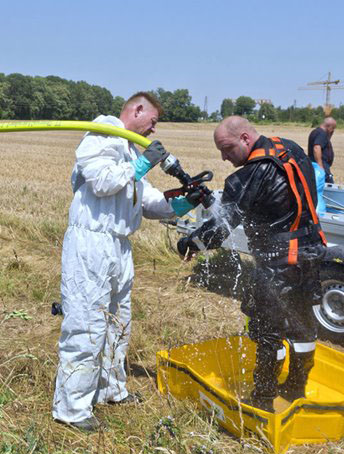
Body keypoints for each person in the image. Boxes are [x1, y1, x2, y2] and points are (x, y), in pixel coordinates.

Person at [52, 92, 203, 431]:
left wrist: (185, 201)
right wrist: (141, 163)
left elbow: (147, 203)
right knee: (87, 322)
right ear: (137, 109)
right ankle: (72, 409)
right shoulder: (103, 133)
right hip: (91, 242)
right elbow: (102, 181)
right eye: (151, 123)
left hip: (119, 246)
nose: (151, 131)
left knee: (118, 322)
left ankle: (111, 390)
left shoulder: (127, 151)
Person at [178, 116, 327, 413]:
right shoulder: (292, 149)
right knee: (302, 326)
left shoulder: (245, 178)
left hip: (277, 262)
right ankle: (297, 387)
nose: (223, 157)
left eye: (227, 148)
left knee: (267, 332)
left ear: (245, 138)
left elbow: (220, 230)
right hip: (310, 252)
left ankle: (261, 400)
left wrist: (188, 243)